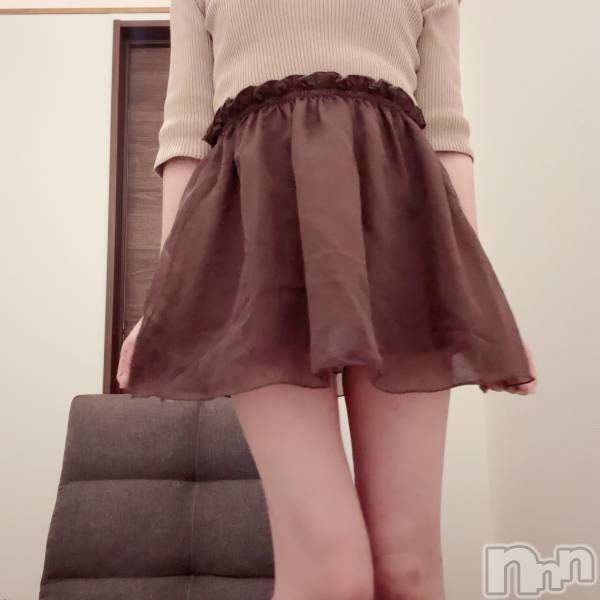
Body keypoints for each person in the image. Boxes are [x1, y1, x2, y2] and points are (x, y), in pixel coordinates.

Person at [118, 1, 537, 598]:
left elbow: (447, 133)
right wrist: (165, 297)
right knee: (330, 569)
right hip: (259, 230)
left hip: (399, 221)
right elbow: (186, 133)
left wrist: (482, 295)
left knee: (407, 567)